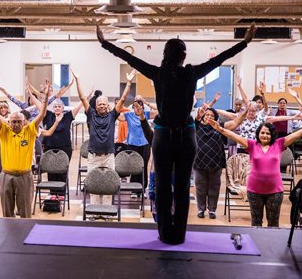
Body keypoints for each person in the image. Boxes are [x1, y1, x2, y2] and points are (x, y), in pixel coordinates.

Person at [97, 23, 257, 244]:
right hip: (185, 134)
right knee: (182, 186)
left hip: (163, 135)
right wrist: (245, 42)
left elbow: (130, 58)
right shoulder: (191, 73)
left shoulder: (158, 72)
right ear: (183, 56)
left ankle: (164, 233)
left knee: (163, 185)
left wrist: (105, 43)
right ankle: (178, 235)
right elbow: (218, 60)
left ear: (164, 55)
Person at [208, 120, 302, 227]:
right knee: (256, 223)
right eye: (262, 132)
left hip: (275, 191)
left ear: (272, 134)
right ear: (258, 133)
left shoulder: (279, 144)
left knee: (273, 224)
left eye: (268, 133)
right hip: (254, 191)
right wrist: (219, 128)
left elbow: (298, 133)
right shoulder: (251, 145)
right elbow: (234, 136)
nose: (265, 135)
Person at [74, 69, 136, 206]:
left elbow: (124, 98)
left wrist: (129, 82)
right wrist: (78, 81)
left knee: (109, 184)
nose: (102, 106)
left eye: (104, 104)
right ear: (95, 107)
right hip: (93, 157)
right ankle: (95, 210)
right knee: (94, 184)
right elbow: (82, 98)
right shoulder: (91, 115)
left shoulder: (112, 115)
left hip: (109, 157)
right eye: (99, 104)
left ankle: (107, 211)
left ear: (108, 106)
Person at [0, 79, 49, 218]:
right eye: (13, 122)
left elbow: (42, 114)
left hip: (24, 176)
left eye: (18, 122)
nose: (16, 124)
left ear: (24, 122)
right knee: (7, 213)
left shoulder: (29, 131)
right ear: (9, 122)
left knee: (25, 213)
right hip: (6, 176)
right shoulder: (4, 131)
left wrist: (45, 97)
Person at [193, 104, 248, 219]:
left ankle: (212, 210)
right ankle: (201, 209)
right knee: (200, 187)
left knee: (214, 187)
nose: (209, 117)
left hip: (216, 163)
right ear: (203, 116)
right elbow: (196, 119)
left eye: (212, 115)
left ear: (216, 118)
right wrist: (198, 115)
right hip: (199, 162)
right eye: (207, 115)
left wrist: (246, 111)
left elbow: (235, 123)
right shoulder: (197, 126)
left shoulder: (220, 127)